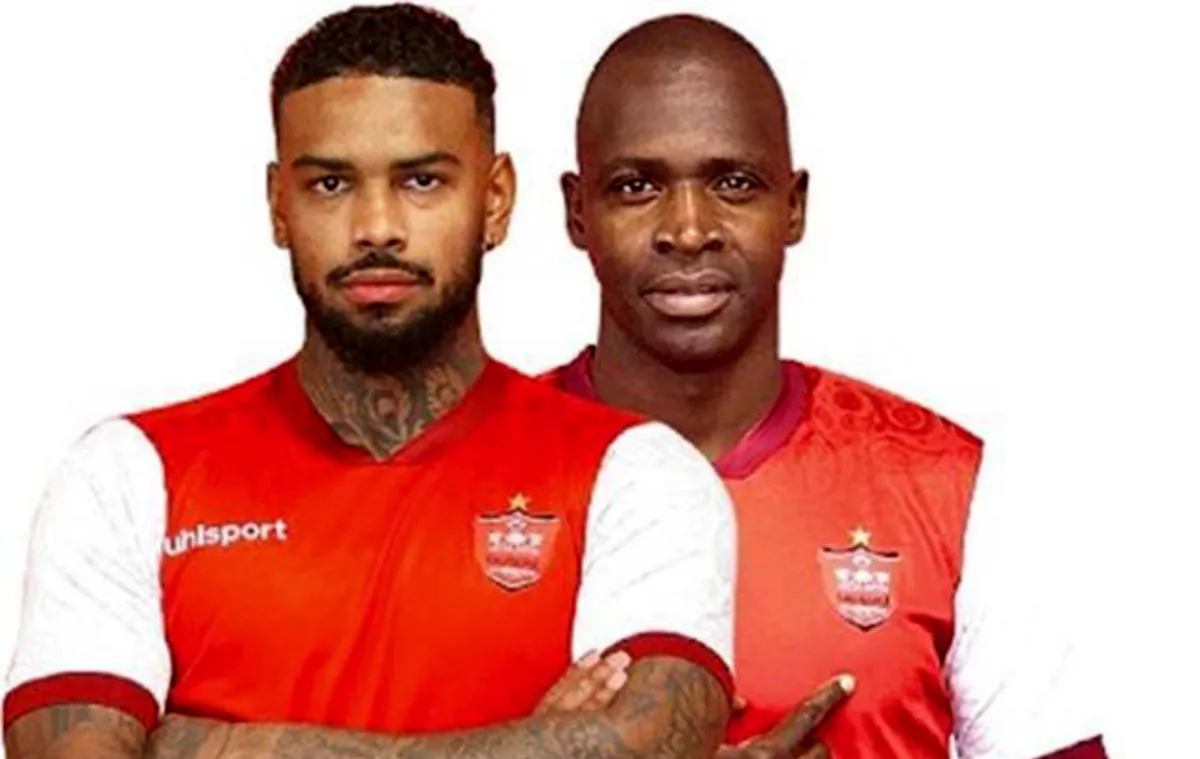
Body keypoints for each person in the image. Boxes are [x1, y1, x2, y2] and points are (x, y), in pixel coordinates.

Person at [1, 6, 742, 759]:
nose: (377, 226)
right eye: (330, 184)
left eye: (422, 180)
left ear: (495, 200)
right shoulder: (130, 473)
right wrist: (543, 744)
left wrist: (197, 744)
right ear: (279, 205)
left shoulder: (638, 473)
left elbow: (650, 744)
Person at [545, 14, 1109, 759]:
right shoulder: (460, 474)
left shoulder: (946, 485)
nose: (688, 229)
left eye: (734, 183)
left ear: (794, 206)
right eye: (637, 185)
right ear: (577, 211)